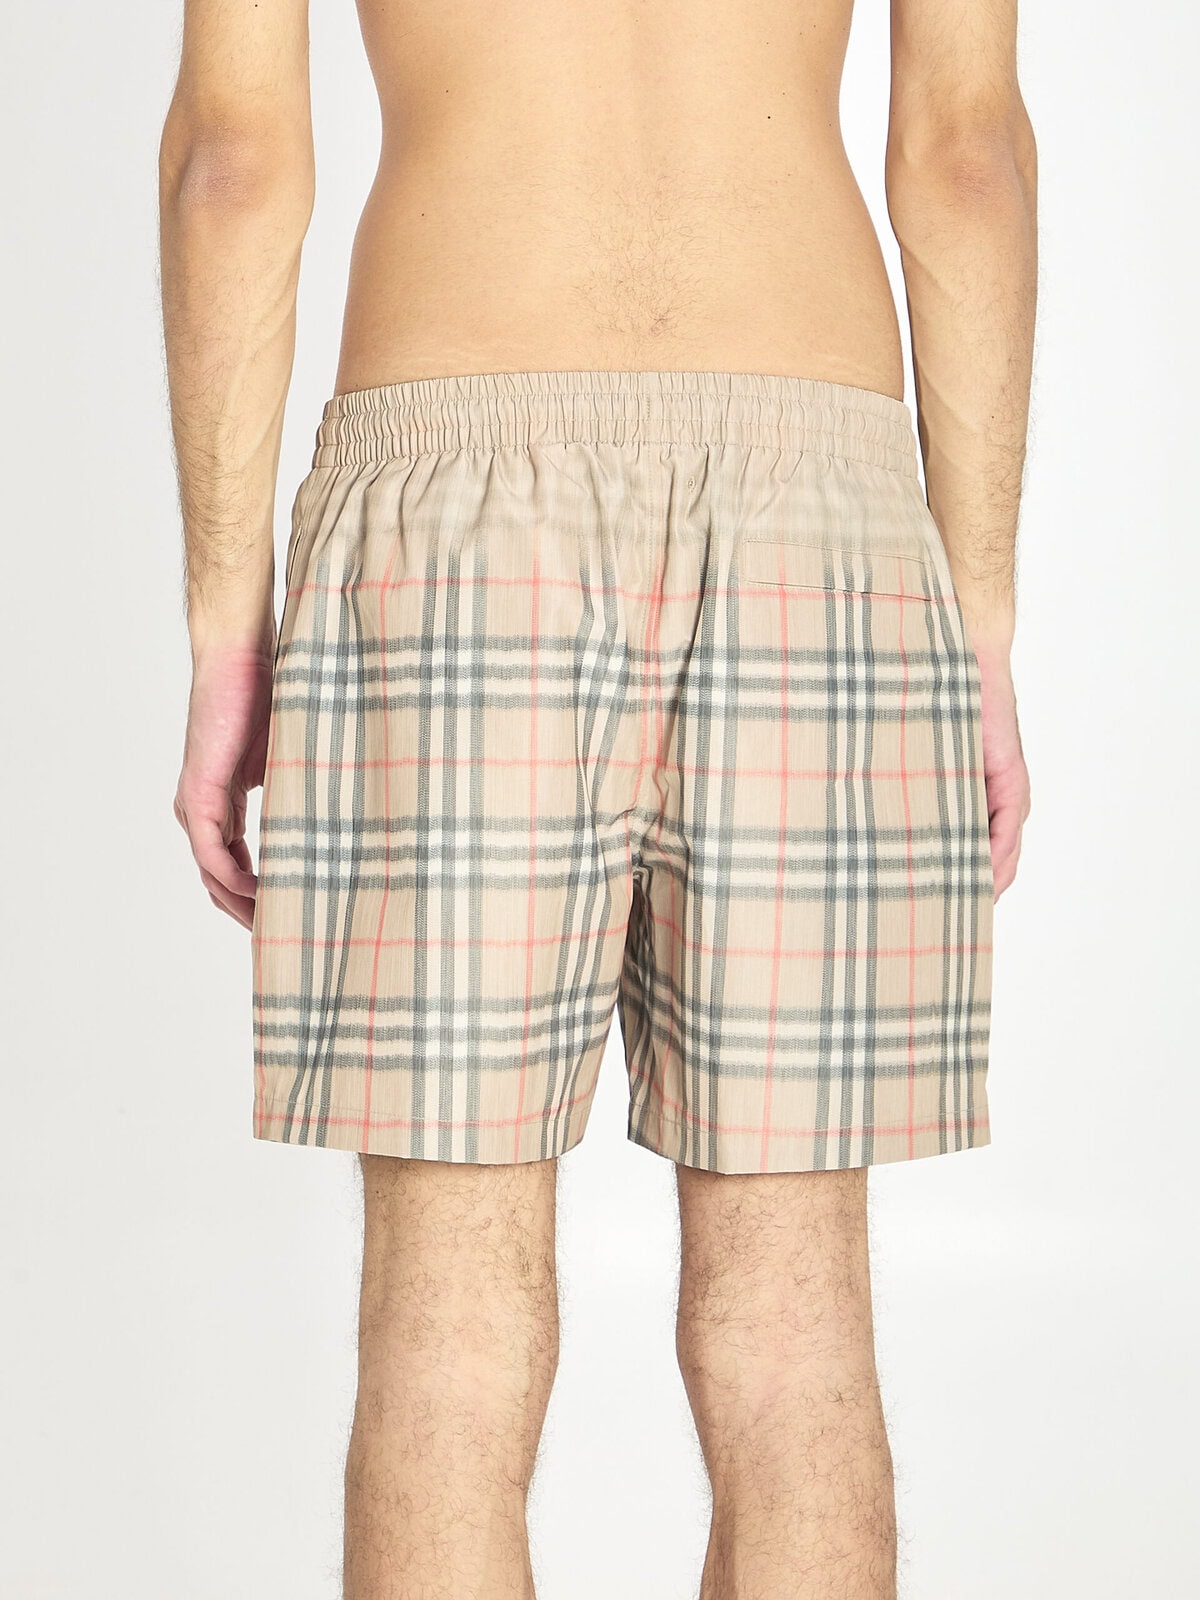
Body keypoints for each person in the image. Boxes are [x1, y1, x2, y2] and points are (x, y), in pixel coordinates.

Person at [159, 0, 1035, 1592]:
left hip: (447, 506)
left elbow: (233, 164)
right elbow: (965, 156)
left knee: (444, 1343)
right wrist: (975, 623)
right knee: (795, 1339)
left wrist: (228, 627)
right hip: (818, 512)